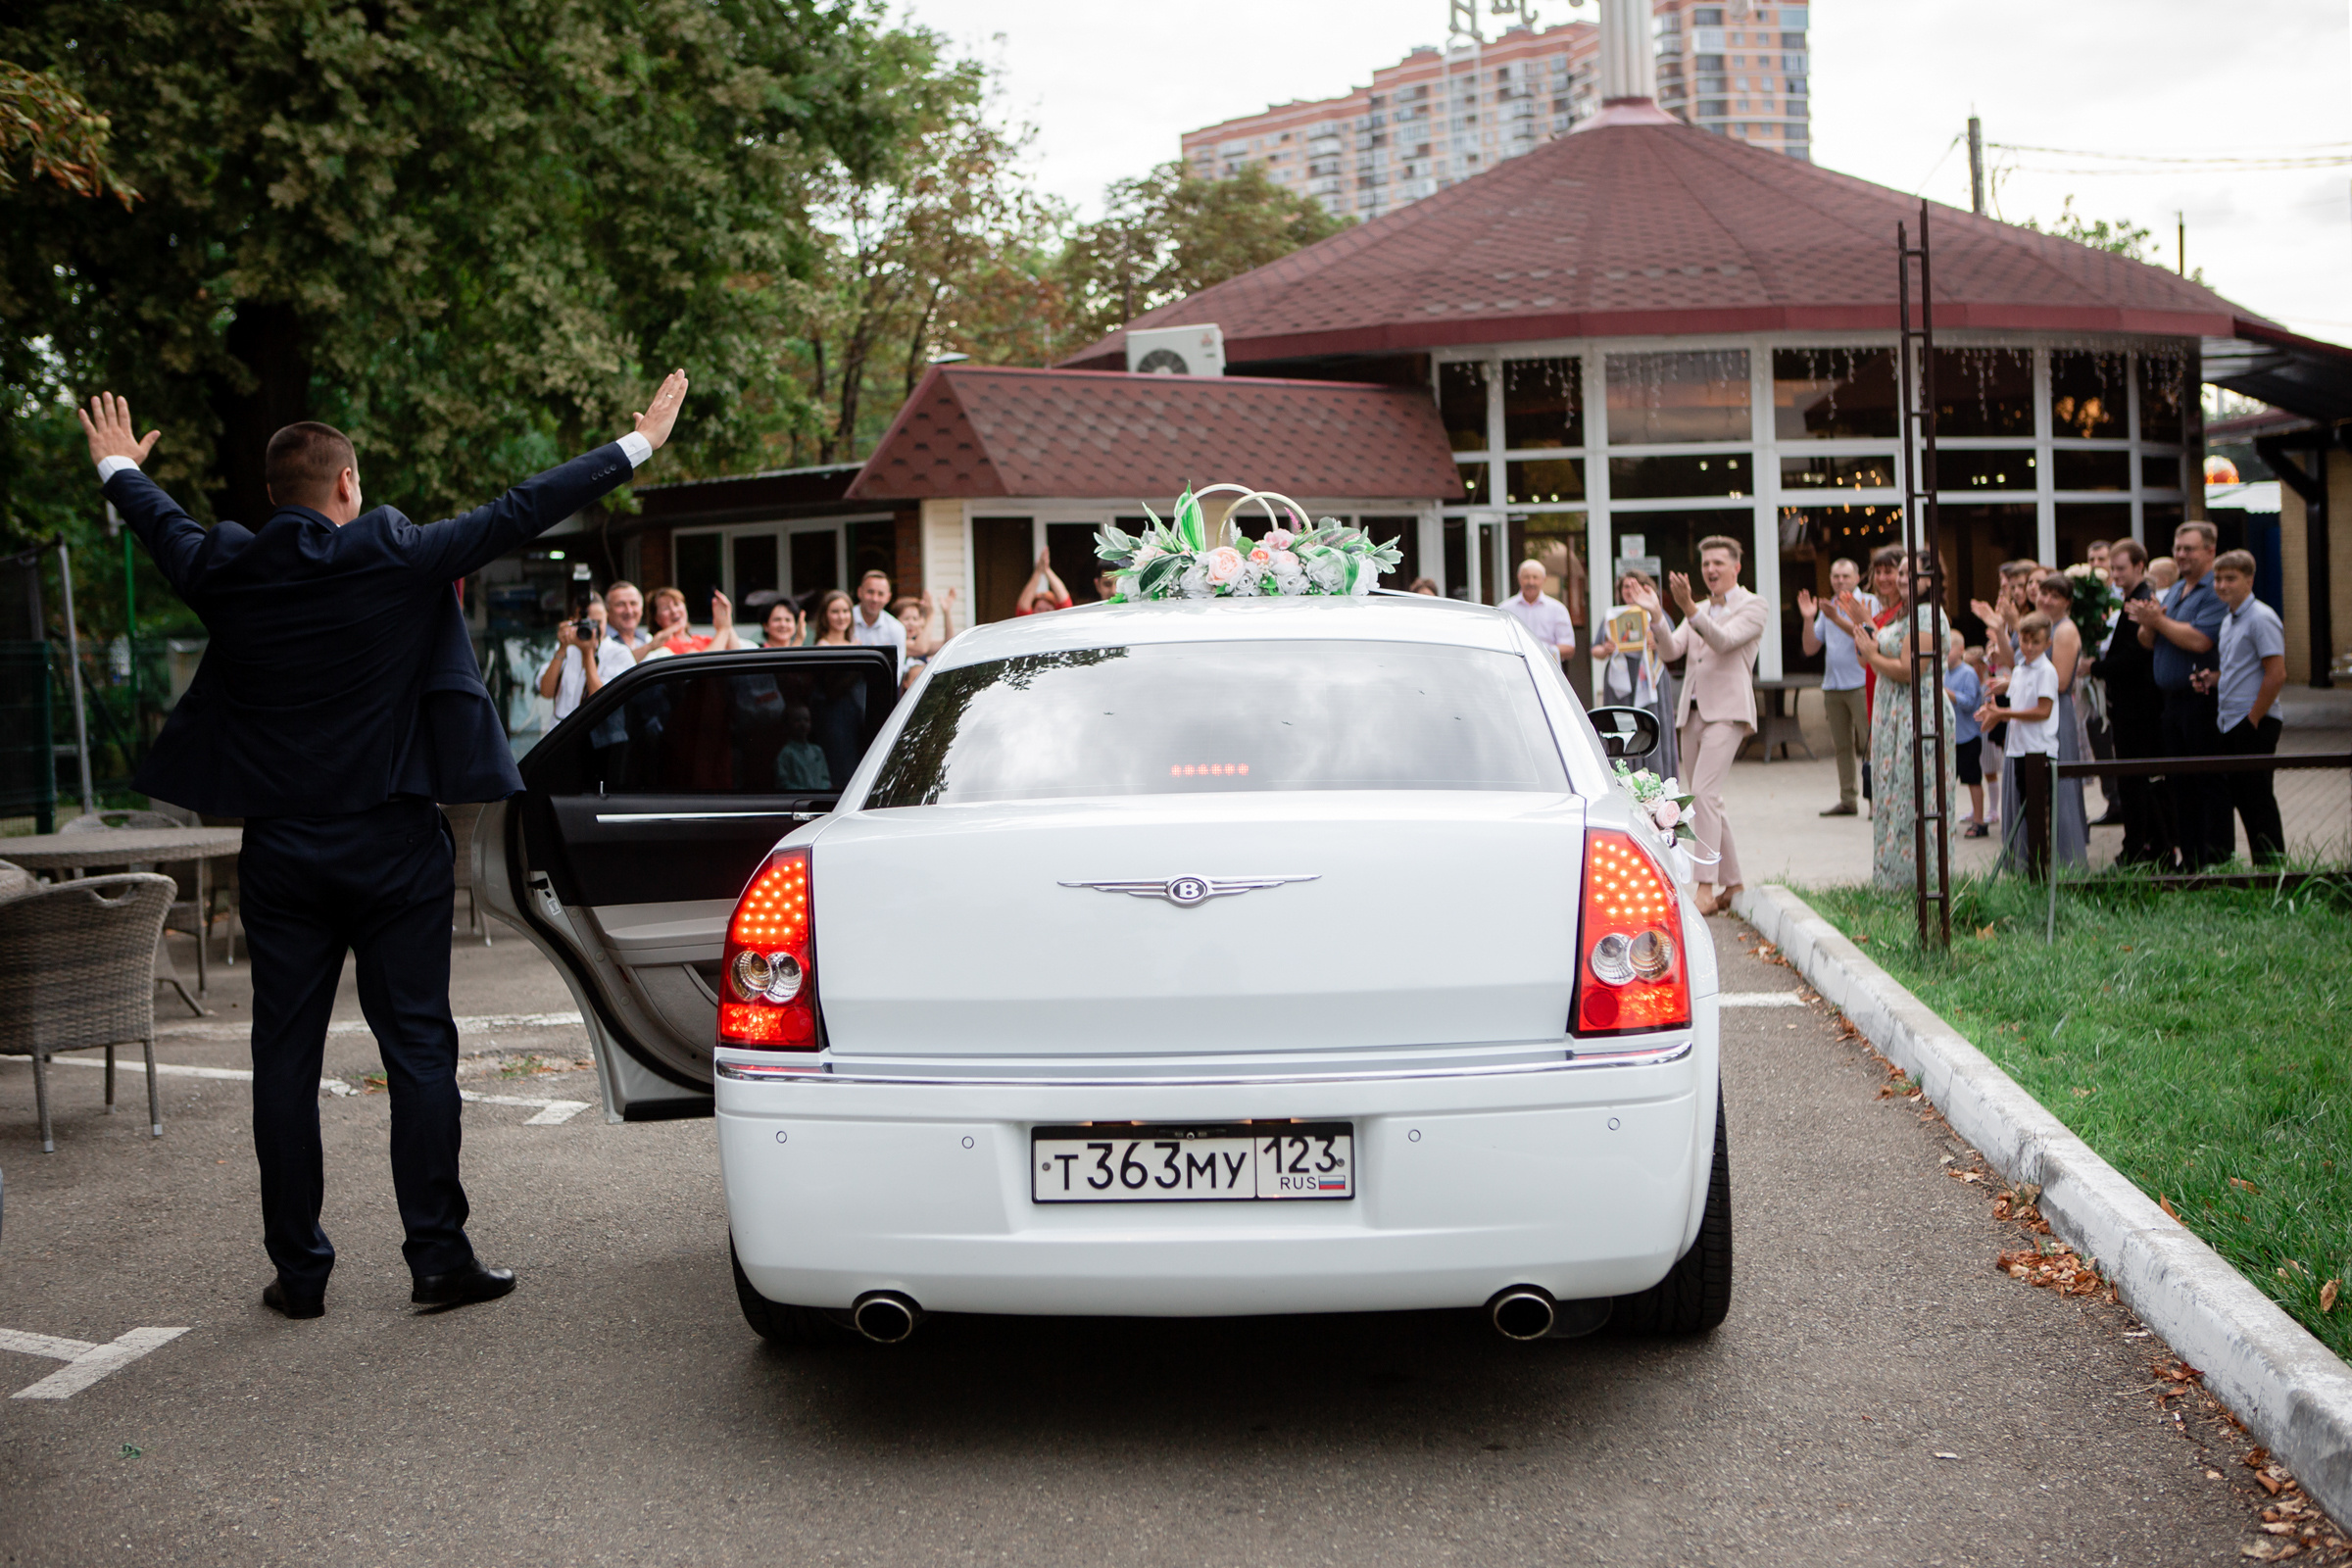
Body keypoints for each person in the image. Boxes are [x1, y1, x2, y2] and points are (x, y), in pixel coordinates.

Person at [77, 370, 690, 1318]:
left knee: (283, 1058)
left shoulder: (228, 569)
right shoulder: (395, 555)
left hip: (280, 852)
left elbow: (163, 523)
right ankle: (438, 1260)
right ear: (348, 487)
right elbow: (519, 511)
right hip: (395, 844)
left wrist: (117, 465)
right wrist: (638, 444)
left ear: (274, 497)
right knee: (418, 1052)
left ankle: (300, 1274)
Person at [1655, 537, 1766, 915]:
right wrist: (1656, 615)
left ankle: (1705, 887)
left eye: (1718, 563)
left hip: (1729, 712)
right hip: (1692, 711)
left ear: (1736, 567)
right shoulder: (1698, 608)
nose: (1711, 570)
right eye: (1705, 564)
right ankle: (1732, 884)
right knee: (1707, 798)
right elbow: (1671, 651)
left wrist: (1687, 607)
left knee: (1702, 793)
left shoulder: (1754, 605)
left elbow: (1723, 641)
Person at [1851, 550, 1954, 891]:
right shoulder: (1905, 614)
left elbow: (1912, 671)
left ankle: (1917, 882)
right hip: (1895, 714)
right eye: (1902, 572)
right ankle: (1893, 878)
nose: (1901, 579)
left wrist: (1871, 656)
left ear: (1930, 579)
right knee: (1893, 794)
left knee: (1915, 795)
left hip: (1917, 713)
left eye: (1911, 573)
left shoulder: (1926, 615)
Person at [2127, 522, 2227, 869]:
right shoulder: (2175, 592)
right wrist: (2151, 622)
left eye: (2189, 548)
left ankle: (2214, 860)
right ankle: (2190, 857)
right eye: (2178, 547)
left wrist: (2158, 621)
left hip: (2199, 700)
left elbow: (2200, 640)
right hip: (2170, 704)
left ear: (2210, 551)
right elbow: (2147, 639)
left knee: (2206, 783)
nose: (2181, 554)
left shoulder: (2214, 591)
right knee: (2179, 785)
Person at [2198, 549, 2288, 863]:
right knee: (2241, 798)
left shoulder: (2261, 618)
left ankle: (2273, 872)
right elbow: (2240, 669)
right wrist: (2213, 679)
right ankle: (2256, 870)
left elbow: (2276, 674)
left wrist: (2253, 719)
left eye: (2230, 579)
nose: (2221, 585)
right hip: (2230, 720)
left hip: (2254, 722)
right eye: (2218, 579)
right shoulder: (2229, 620)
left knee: (2257, 800)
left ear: (2249, 579)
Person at [2089, 539, 2164, 864]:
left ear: (2139, 566)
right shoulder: (2129, 599)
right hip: (2128, 704)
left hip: (2138, 706)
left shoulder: (2143, 601)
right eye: (2113, 568)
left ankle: (2143, 847)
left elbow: (2134, 656)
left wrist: (2094, 667)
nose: (2115, 574)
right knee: (2131, 779)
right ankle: (2138, 844)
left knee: (2136, 780)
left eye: (2120, 568)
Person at [1977, 612, 2060, 879]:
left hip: (2039, 750)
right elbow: (2020, 692)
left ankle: (2042, 874)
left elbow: (2043, 711)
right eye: (2024, 641)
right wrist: (2002, 690)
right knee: (2025, 812)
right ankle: (2028, 870)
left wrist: (2003, 714)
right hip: (2020, 749)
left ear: (2047, 644)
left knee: (2038, 814)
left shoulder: (2046, 671)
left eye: (2035, 642)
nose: (2029, 647)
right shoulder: (2022, 667)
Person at [1796, 557, 1878, 816]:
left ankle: (1876, 802)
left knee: (1870, 744)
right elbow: (1810, 648)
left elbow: (1868, 635)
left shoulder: (1868, 602)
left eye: (1845, 576)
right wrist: (1809, 618)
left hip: (1861, 684)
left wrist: (1835, 617)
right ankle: (1848, 799)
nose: (1840, 581)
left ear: (1857, 578)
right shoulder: (1828, 606)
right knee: (1842, 746)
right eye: (1835, 576)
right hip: (1833, 685)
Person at [2022, 569, 2090, 869]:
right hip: (2034, 709)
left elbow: (2061, 682)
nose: (2046, 600)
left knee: (2057, 783)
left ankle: (2066, 858)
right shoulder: (2039, 625)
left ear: (2067, 602)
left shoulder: (2064, 630)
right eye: (2043, 593)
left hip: (2055, 712)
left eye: (2055, 595)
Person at [1593, 568, 1680, 781]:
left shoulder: (1657, 614)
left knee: (1651, 723)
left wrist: (1657, 644)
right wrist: (1606, 649)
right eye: (1625, 586)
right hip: (1620, 680)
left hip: (1650, 678)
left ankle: (1657, 777)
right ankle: (1620, 777)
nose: (1629, 590)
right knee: (1620, 725)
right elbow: (1595, 650)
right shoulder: (1612, 615)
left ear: (1645, 588)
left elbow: (1674, 646)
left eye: (1635, 586)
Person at [536, 593, 631, 721]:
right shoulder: (567, 649)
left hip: (596, 737)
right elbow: (546, 692)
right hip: (561, 733)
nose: (592, 629)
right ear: (573, 621)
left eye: (598, 622)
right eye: (586, 623)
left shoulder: (619, 652)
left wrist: (588, 653)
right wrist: (562, 648)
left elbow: (601, 701)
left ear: (607, 618)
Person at [1943, 630, 1987, 837]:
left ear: (1961, 649)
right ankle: (1945, 820)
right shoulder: (1943, 672)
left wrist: (1947, 694)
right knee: (1946, 780)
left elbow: (1970, 702)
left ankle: (1979, 821)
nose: (1944, 651)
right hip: (1949, 737)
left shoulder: (1968, 673)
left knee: (1972, 778)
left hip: (1968, 736)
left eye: (1948, 646)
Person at [1500, 559, 1577, 667]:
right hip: (1513, 669)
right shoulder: (1505, 609)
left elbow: (1569, 648)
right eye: (1526, 577)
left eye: (1535, 577)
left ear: (1544, 580)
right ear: (1519, 578)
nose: (1531, 582)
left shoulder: (1558, 609)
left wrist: (1543, 649)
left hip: (1547, 671)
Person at [850, 568, 908, 677]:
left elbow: (897, 673)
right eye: (870, 592)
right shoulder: (845, 620)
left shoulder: (896, 628)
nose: (875, 599)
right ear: (859, 592)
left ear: (888, 597)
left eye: (880, 594)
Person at [636, 585, 718, 661]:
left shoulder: (702, 639)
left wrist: (727, 621)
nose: (674, 611)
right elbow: (703, 663)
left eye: (677, 604)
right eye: (666, 608)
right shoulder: (662, 646)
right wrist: (724, 629)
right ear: (656, 618)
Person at [1013, 549, 1074, 616]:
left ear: (1055, 610)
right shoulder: (1029, 621)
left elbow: (1065, 601)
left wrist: (1047, 570)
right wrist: (1038, 571)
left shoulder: (1061, 619)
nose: (1043, 613)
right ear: (1033, 611)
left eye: (1047, 610)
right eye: (1039, 609)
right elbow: (1023, 607)